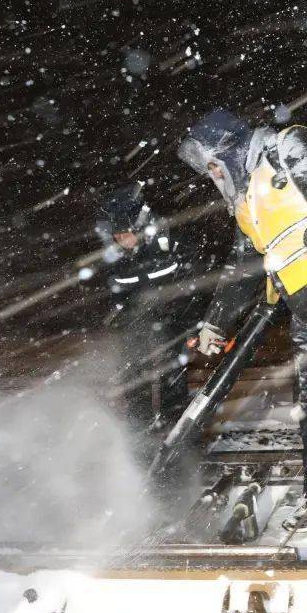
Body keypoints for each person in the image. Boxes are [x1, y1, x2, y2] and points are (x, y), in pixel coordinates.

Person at [177, 109, 307, 536]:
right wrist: (216, 322)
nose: (213, 175)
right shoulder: (244, 203)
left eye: (214, 164)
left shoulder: (288, 148)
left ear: (230, 150)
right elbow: (242, 265)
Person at [96, 183, 200, 454]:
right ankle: (138, 434)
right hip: (135, 323)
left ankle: (175, 435)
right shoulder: (116, 259)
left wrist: (189, 319)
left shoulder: (166, 242)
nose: (124, 240)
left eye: (127, 234)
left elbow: (192, 278)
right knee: (133, 375)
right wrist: (120, 315)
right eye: (119, 236)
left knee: (171, 376)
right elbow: (116, 291)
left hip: (171, 318)